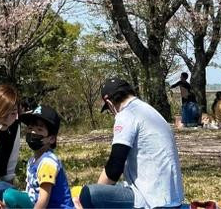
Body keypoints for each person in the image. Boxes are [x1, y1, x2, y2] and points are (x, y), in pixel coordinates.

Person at [79, 78, 184, 209]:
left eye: (109, 109)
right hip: (172, 197)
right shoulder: (149, 111)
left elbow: (114, 168)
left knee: (89, 194)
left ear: (110, 103)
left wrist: (97, 191)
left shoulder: (126, 115)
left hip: (151, 200)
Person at [3, 105, 74, 209]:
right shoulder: (33, 160)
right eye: (30, 128)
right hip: (38, 204)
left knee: (10, 196)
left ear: (52, 139)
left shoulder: (47, 163)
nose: (32, 132)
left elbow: (43, 199)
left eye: (39, 129)